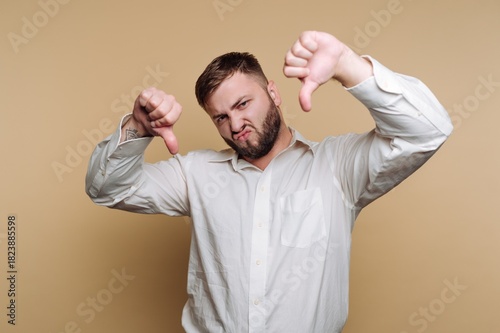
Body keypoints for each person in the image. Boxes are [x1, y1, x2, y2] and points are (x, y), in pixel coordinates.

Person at [86, 31, 453, 332]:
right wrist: (137, 127)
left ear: (273, 94)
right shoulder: (195, 175)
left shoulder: (337, 167)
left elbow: (426, 132)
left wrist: (347, 66)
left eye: (243, 104)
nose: (235, 124)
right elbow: (106, 188)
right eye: (220, 117)